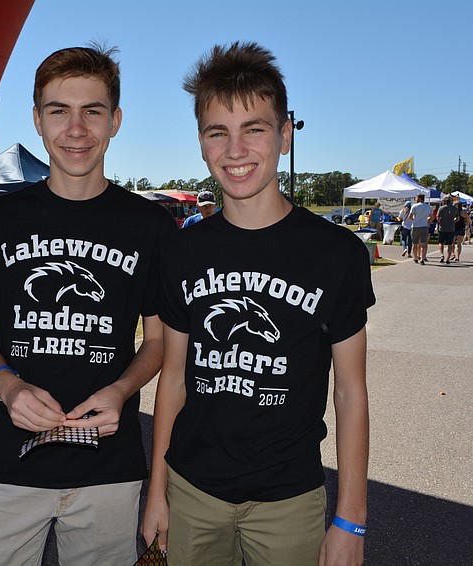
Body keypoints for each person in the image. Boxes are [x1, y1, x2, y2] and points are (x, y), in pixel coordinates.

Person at [141, 41, 374, 566]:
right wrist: (158, 491)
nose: (235, 149)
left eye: (255, 128)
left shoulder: (336, 254)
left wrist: (350, 518)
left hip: (289, 498)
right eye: (217, 132)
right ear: (201, 144)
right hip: (192, 491)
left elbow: (352, 393)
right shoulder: (182, 252)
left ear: (285, 135)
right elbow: (173, 379)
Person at [0, 44, 177, 566]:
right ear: (36, 119)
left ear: (115, 121)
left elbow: (159, 342)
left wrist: (120, 390)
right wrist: (8, 387)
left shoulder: (150, 228)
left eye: (92, 111)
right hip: (9, 468)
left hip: (108, 469)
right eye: (59, 111)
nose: (76, 129)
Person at [408, 193, 433, 264]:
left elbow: (410, 217)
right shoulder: (428, 207)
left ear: (419, 198)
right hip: (424, 226)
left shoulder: (414, 206)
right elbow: (432, 217)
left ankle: (415, 257)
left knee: (414, 243)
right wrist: (427, 220)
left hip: (415, 226)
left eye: (416, 198)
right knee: (423, 244)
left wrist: (415, 219)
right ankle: (422, 257)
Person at [436, 196, 458, 264]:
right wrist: (453, 222)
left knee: (441, 242)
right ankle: (448, 258)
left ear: (445, 201)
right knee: (450, 244)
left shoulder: (441, 208)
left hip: (442, 228)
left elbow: (438, 217)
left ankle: (442, 255)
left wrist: (440, 223)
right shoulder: (454, 208)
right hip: (451, 228)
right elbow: (457, 218)